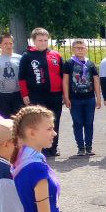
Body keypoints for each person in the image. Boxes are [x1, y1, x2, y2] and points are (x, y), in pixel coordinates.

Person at [19, 28, 64, 157]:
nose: (43, 43)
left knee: (54, 121)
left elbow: (62, 75)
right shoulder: (27, 56)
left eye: (45, 40)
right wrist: (25, 94)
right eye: (40, 40)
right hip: (36, 95)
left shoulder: (56, 55)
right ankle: (41, 147)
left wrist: (64, 95)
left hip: (55, 95)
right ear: (34, 41)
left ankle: (53, 147)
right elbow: (21, 77)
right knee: (39, 122)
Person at [63, 39, 100, 157]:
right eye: (77, 48)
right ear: (72, 49)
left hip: (89, 98)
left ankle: (89, 146)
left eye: (82, 47)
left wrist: (98, 97)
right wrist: (66, 97)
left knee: (89, 123)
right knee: (78, 123)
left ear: (86, 49)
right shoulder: (69, 63)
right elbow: (65, 81)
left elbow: (96, 81)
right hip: (75, 99)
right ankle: (80, 147)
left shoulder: (91, 64)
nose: (80, 50)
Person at [0, 34, 24, 118]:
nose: (9, 46)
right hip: (2, 95)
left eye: (10, 43)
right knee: (4, 119)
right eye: (5, 43)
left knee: (18, 119)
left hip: (18, 94)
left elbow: (23, 77)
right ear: (0, 44)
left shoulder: (20, 58)